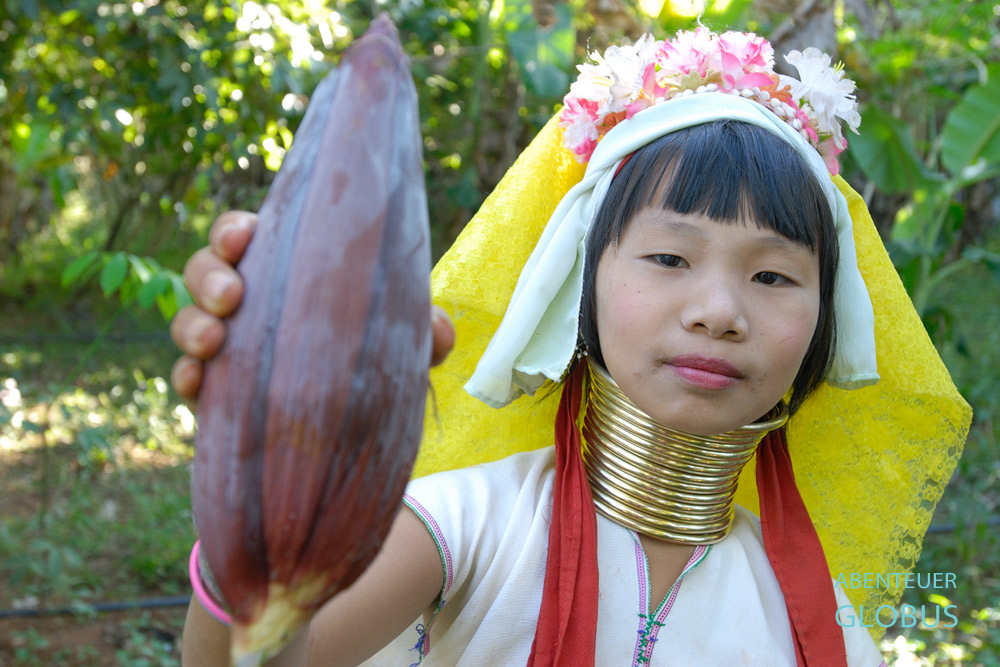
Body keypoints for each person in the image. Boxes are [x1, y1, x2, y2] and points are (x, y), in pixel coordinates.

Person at [173, 29, 970, 666]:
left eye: (771, 275)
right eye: (669, 258)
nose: (719, 311)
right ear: (576, 286)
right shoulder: (472, 525)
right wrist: (267, 481)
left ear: (828, 326)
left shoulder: (817, 616)